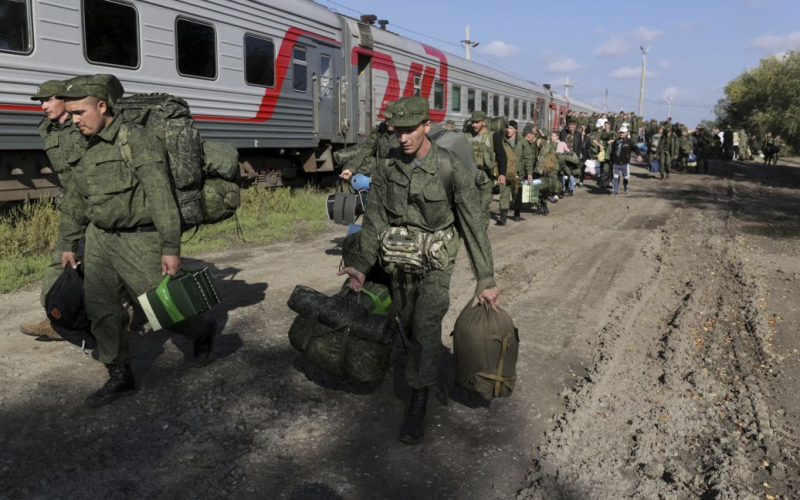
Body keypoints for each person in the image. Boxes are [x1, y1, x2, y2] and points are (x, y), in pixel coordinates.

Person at [337, 96, 499, 445]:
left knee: (426, 323)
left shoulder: (449, 167)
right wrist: (362, 266)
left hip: (436, 261)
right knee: (408, 320)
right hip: (399, 258)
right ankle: (417, 363)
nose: (404, 138)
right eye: (398, 132)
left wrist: (485, 279)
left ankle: (418, 400)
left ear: (427, 125)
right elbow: (375, 218)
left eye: (411, 130)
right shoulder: (387, 167)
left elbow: (473, 224)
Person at [57, 74, 218, 408]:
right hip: (99, 240)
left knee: (166, 309)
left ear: (102, 106)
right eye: (70, 113)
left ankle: (202, 331)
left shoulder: (136, 139)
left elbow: (160, 195)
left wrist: (170, 247)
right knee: (102, 311)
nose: (74, 120)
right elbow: (74, 198)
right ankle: (119, 375)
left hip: (140, 240)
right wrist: (68, 242)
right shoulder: (83, 145)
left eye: (79, 112)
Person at [18, 80, 86, 340]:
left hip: (96, 204)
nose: (43, 106)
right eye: (40, 101)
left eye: (48, 100)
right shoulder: (47, 128)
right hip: (73, 204)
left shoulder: (83, 126)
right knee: (61, 261)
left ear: (65, 101)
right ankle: (56, 319)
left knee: (109, 266)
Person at [497, 120, 533, 224]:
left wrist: (529, 173)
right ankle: (503, 216)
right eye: (507, 128)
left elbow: (528, 158)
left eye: (511, 128)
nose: (508, 130)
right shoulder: (502, 141)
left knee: (517, 194)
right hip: (505, 172)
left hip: (518, 173)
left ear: (516, 129)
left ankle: (517, 213)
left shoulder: (522, 143)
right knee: (504, 193)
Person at [465, 111, 497, 226]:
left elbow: (501, 155)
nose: (473, 125)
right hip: (470, 177)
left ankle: (482, 232)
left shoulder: (491, 136)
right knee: (471, 207)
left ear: (484, 122)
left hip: (486, 178)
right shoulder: (467, 136)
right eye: (472, 122)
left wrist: (501, 173)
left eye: (477, 122)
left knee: (483, 206)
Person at [609, 126, 642, 195]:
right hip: (616, 163)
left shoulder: (630, 142)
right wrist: (611, 160)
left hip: (625, 164)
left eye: (623, 132)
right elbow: (613, 151)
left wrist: (639, 155)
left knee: (626, 177)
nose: (621, 134)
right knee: (615, 177)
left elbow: (636, 149)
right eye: (620, 132)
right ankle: (615, 191)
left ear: (626, 133)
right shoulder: (616, 141)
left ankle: (626, 187)